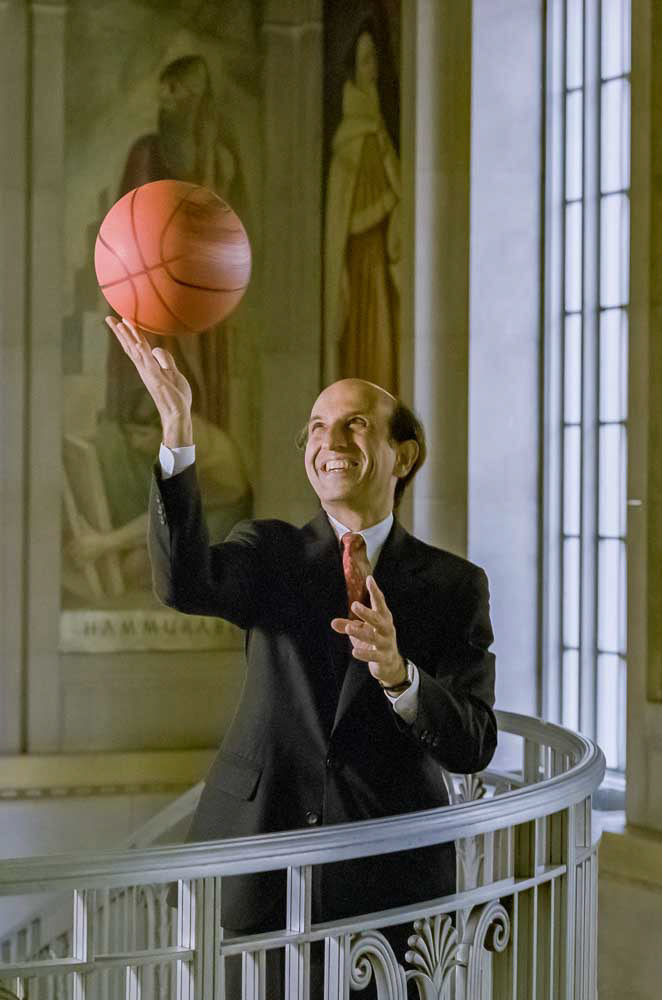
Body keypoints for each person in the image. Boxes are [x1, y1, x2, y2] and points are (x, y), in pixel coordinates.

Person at [106, 315, 496, 962]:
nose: (330, 439)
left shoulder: (455, 585)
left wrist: (400, 675)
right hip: (254, 864)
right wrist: (177, 429)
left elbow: (473, 744)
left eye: (356, 423)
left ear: (404, 455)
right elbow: (184, 584)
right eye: (317, 427)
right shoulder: (269, 550)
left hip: (387, 877)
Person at [68, 391, 252, 591]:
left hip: (219, 514)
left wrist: (104, 543)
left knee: (131, 569)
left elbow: (167, 515)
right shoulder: (172, 428)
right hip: (186, 503)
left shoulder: (186, 448)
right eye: (131, 434)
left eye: (142, 435)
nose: (135, 442)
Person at [324, 22, 401, 394]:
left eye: (375, 61)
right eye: (366, 61)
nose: (373, 70)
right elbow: (349, 220)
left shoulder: (378, 132)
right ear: (353, 70)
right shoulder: (356, 138)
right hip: (361, 263)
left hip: (382, 263)